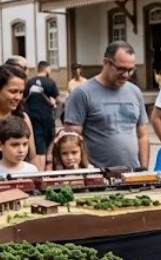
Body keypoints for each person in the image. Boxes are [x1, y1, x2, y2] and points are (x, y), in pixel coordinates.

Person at [64, 41, 150, 170]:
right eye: (121, 69)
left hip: (133, 174)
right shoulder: (82, 93)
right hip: (97, 174)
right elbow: (72, 140)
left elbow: (143, 135)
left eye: (131, 70)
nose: (126, 75)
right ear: (105, 62)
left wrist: (144, 168)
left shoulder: (135, 92)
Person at [24, 61, 59, 170]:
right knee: (48, 146)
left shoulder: (29, 82)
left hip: (32, 118)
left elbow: (24, 98)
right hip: (47, 118)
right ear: (47, 69)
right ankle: (44, 171)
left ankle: (39, 171)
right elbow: (55, 100)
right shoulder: (50, 82)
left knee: (38, 146)